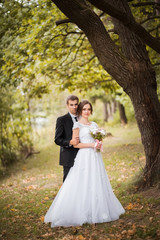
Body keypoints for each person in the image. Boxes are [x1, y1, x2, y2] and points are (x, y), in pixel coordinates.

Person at [44, 100, 125, 227]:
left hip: (95, 156)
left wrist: (98, 144)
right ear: (80, 111)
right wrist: (91, 144)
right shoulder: (77, 125)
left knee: (97, 180)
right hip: (84, 156)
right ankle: (81, 210)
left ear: (91, 110)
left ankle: (98, 209)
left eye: (89, 109)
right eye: (84, 109)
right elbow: (76, 144)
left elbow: (97, 139)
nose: (87, 111)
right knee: (83, 181)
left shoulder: (94, 124)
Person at [54, 95, 79, 182]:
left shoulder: (82, 118)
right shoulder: (61, 120)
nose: (74, 107)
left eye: (76, 104)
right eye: (71, 105)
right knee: (68, 182)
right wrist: (70, 142)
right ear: (67, 105)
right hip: (68, 156)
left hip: (83, 155)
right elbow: (57, 139)